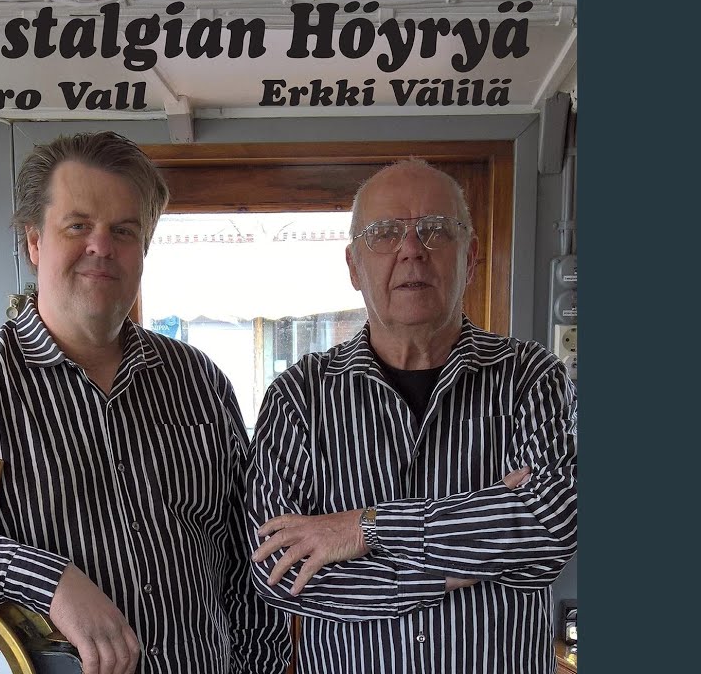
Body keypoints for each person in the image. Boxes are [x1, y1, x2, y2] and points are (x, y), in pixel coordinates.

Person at [0, 131, 288, 674]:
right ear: (34, 242)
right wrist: (49, 581)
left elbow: (246, 554)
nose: (101, 246)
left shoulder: (198, 381)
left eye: (123, 230)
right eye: (78, 225)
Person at [246, 159, 577, 674]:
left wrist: (365, 528)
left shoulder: (531, 376)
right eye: (384, 234)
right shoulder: (298, 396)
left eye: (436, 230)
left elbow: (552, 522)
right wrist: (469, 560)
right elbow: (281, 571)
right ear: (353, 266)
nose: (412, 250)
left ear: (470, 258)